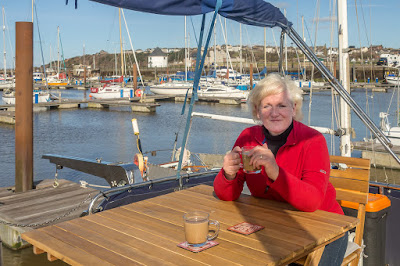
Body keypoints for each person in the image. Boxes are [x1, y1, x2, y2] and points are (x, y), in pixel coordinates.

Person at [213, 73, 347, 266]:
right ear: (257, 111)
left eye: (282, 105)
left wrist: (275, 171)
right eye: (267, 106)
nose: (274, 113)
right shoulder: (248, 137)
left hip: (325, 227)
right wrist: (228, 173)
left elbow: (313, 202)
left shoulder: (313, 140)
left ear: (294, 108)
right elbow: (227, 195)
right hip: (274, 224)